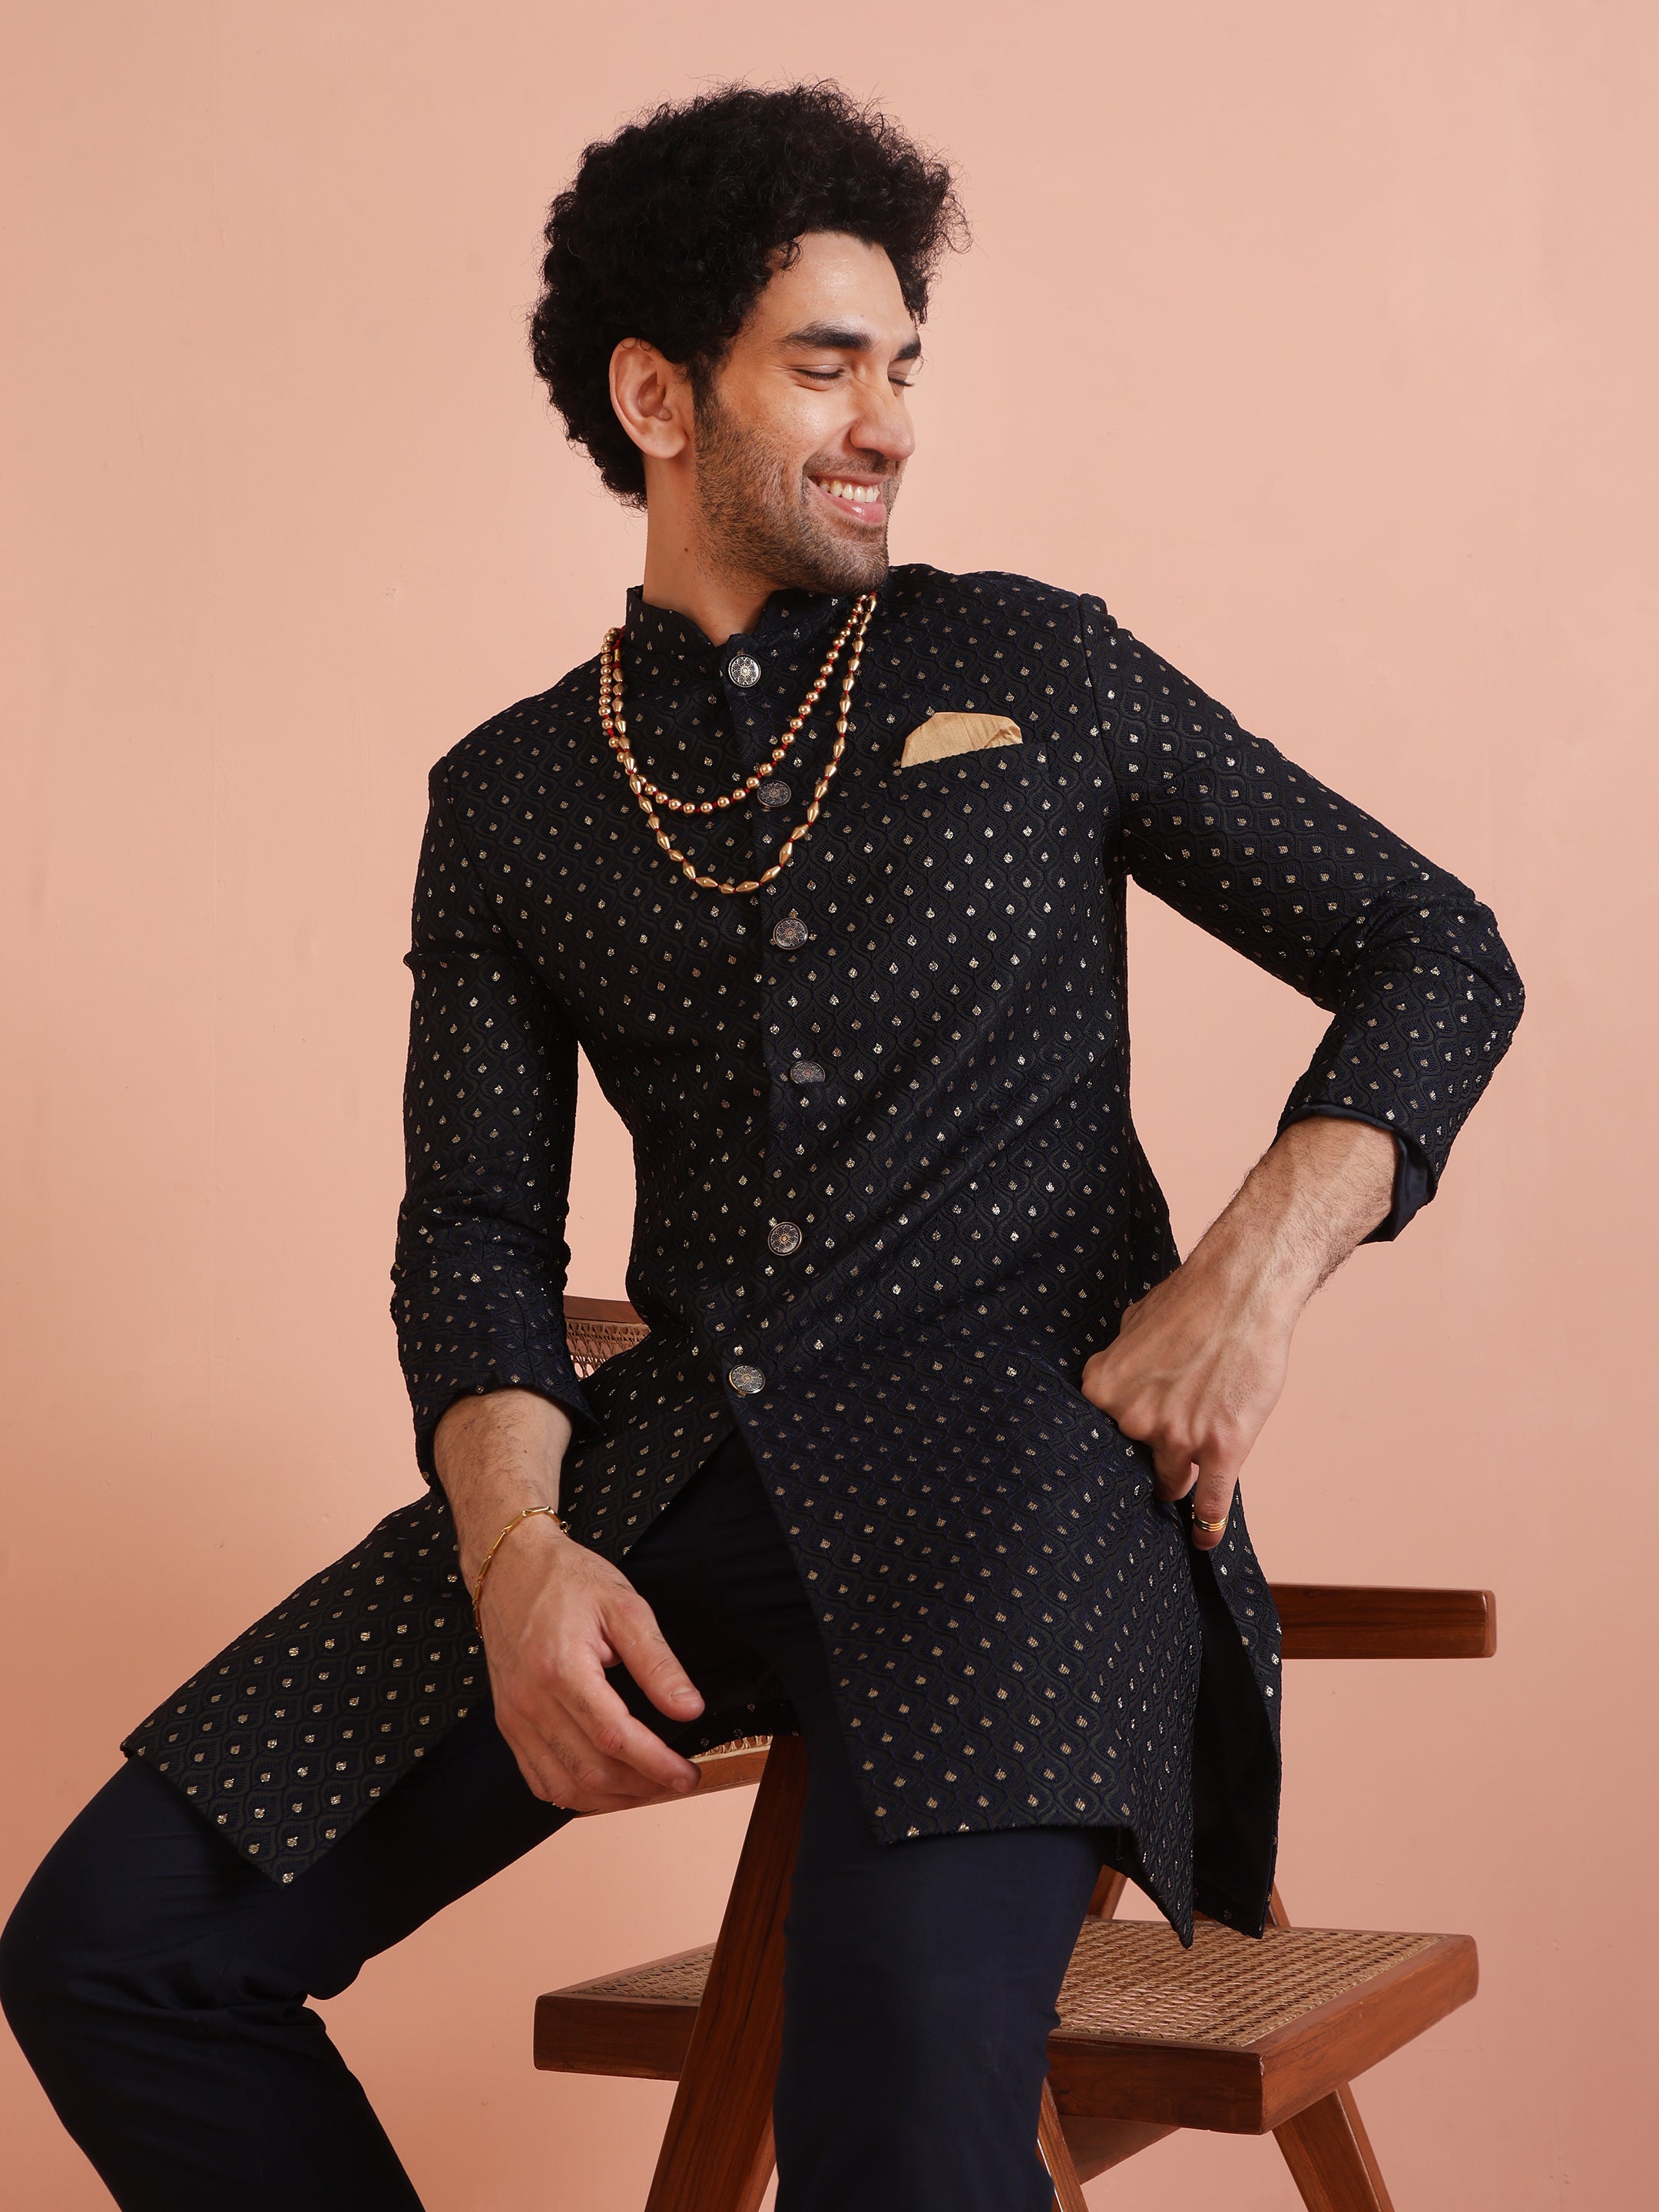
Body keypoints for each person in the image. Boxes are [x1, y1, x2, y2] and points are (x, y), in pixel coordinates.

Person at [1, 81, 1524, 2212]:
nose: (888, 418)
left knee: (893, 2119)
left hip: (1022, 1476)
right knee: (113, 1945)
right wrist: (520, 1559)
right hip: (667, 1479)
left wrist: (1248, 1281)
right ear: (657, 394)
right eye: (825, 364)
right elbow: (473, 1241)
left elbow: (1433, 946)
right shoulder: (513, 799)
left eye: (906, 365)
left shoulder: (1036, 665)